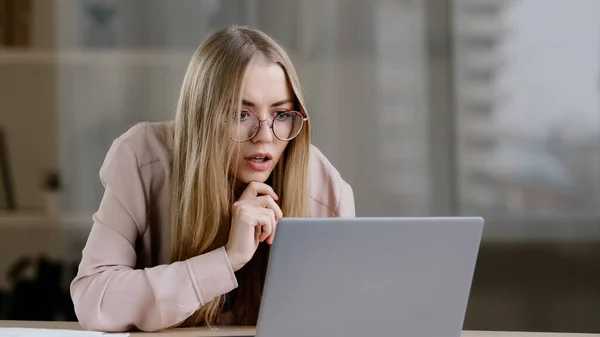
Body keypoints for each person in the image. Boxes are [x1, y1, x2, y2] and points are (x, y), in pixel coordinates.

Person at [70, 26, 355, 333]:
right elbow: (95, 299)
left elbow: (345, 318)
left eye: (281, 115)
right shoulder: (143, 157)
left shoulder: (324, 186)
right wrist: (227, 260)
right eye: (240, 114)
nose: (264, 137)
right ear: (203, 115)